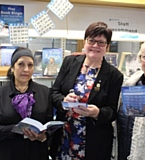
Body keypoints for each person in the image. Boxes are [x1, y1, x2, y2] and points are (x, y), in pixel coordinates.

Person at [51, 21, 124, 159]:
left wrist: (97, 113)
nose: (95, 46)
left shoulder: (114, 75)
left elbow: (112, 111)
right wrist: (63, 100)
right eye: (92, 41)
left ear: (107, 47)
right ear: (85, 42)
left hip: (93, 142)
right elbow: (54, 92)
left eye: (101, 42)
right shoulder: (69, 62)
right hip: (64, 135)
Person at [0, 47, 53, 160]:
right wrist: (14, 129)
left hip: (36, 153)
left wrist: (43, 136)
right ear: (12, 68)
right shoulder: (0, 94)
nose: (26, 69)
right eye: (21, 64)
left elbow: (50, 125)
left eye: (30, 65)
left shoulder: (44, 92)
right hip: (6, 153)